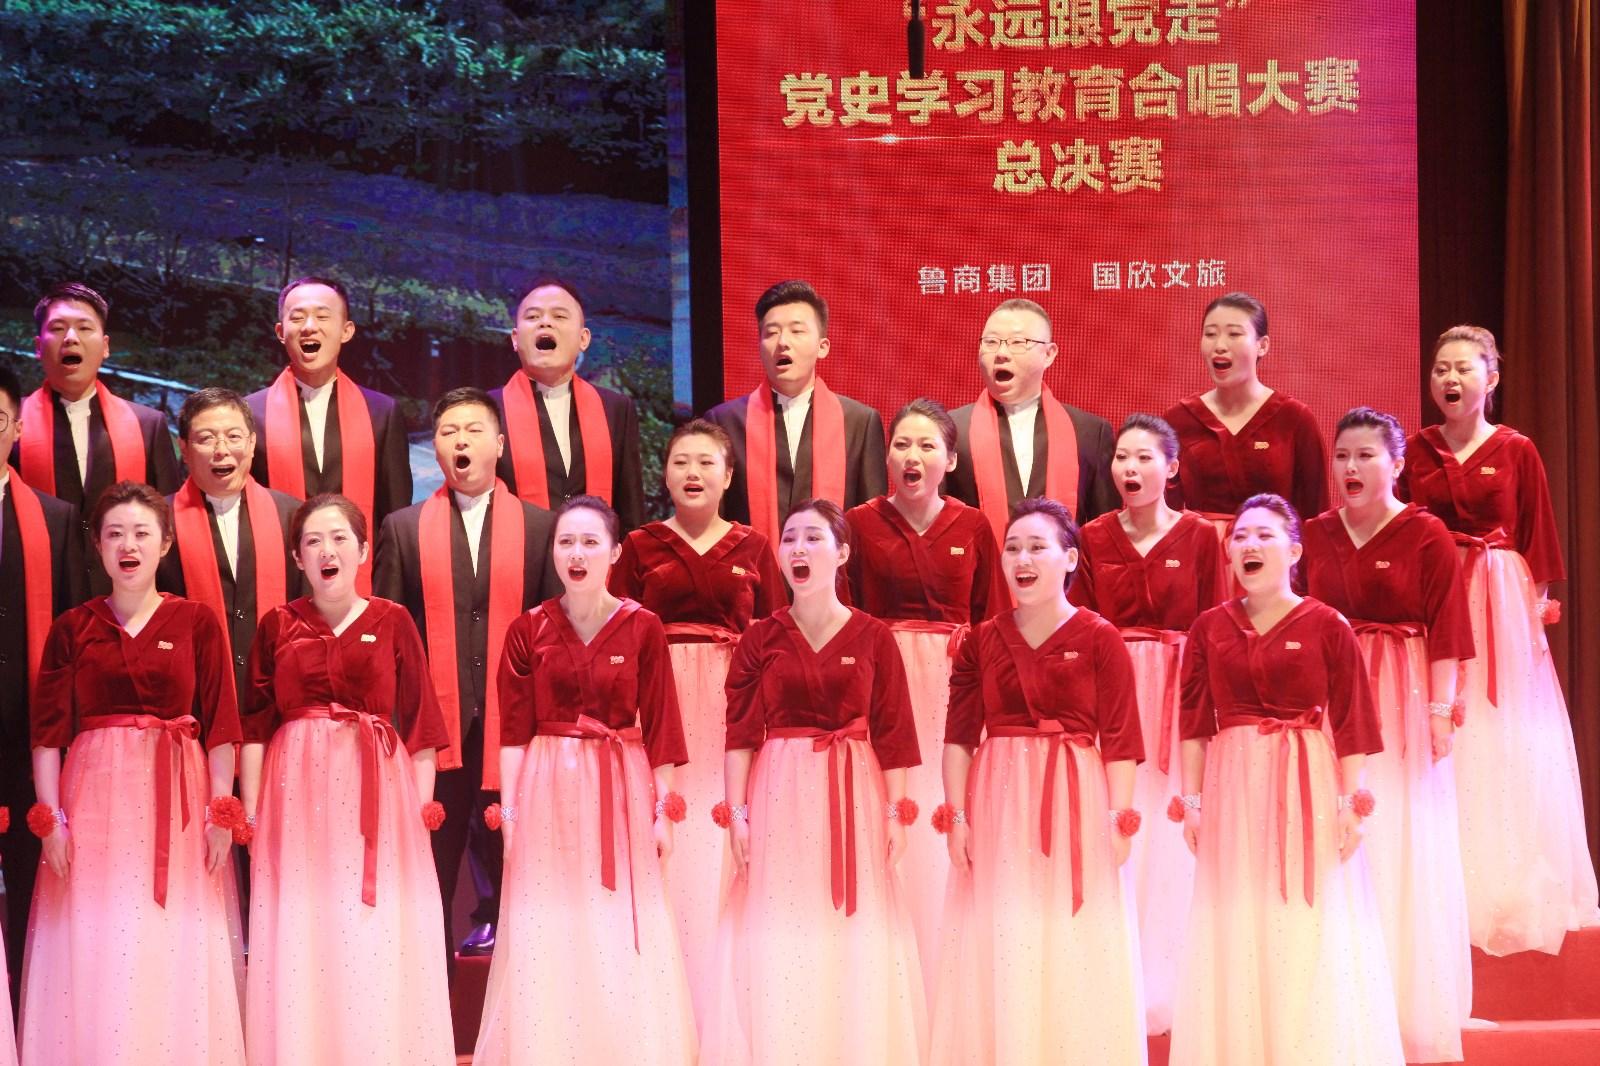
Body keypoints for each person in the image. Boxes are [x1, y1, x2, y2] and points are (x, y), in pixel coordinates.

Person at [1169, 494, 1403, 1066]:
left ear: (1295, 552)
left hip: (1307, 783)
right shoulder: (1209, 628)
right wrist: (1192, 801)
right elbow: (1194, 723)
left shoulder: (1327, 624)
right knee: (1238, 912)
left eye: (1264, 535)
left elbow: (1353, 720)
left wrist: (1351, 803)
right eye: (1240, 536)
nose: (1248, 545)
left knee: (1306, 909)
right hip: (1232, 784)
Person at [21, 481, 245, 1065]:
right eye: (115, 534)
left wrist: (221, 811)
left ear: (165, 543)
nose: (129, 545)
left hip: (179, 796)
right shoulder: (73, 627)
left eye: (142, 533)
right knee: (100, 930)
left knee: (172, 925)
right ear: (97, 545)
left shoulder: (196, 621)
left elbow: (222, 723)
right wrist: (52, 820)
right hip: (94, 798)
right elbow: (47, 733)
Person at [701, 499, 926, 1066]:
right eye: (789, 538)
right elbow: (739, 734)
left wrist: (897, 813)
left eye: (813, 537)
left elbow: (894, 731)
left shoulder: (874, 637)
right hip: (779, 789)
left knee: (855, 917)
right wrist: (738, 816)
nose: (798, 548)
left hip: (855, 790)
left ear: (842, 553)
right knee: (784, 916)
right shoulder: (760, 638)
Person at [473, 496, 696, 1065]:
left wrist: (664, 813)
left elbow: (663, 727)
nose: (577, 554)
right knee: (551, 915)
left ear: (615, 553)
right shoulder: (528, 629)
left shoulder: (642, 626)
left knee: (616, 913)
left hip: (621, 784)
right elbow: (512, 734)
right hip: (546, 785)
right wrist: (510, 818)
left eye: (591, 542)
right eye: (566, 542)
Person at [1399, 325, 1600, 955]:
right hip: (1436, 596)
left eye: (1464, 368)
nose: (1450, 379)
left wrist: (1531, 622)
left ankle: (1506, 883)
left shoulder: (1517, 449)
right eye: (1441, 368)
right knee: (1440, 727)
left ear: (1492, 378)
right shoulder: (1415, 450)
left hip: (1500, 602)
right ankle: (1440, 883)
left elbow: (1538, 540)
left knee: (1500, 727)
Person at [240, 494, 454, 1066]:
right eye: (313, 542)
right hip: (295, 794)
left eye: (339, 539)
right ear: (297, 557)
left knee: (371, 924)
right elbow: (254, 727)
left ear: (362, 551)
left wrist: (420, 815)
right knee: (304, 923)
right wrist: (253, 814)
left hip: (378, 792)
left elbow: (422, 726)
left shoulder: (393, 620)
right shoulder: (277, 624)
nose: (326, 551)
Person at [931, 497, 1146, 1064]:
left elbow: (1121, 738)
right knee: (1005, 927)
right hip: (999, 798)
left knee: (1073, 928)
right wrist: (957, 817)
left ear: (1069, 559)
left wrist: (1118, 822)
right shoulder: (981, 640)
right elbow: (958, 739)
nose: (1021, 559)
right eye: (1012, 549)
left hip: (1076, 796)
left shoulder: (1100, 637)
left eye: (1036, 547)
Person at [1303, 407, 1475, 1062]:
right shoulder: (1314, 533)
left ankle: (1405, 1002)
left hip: (1400, 694)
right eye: (1342, 455)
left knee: (1398, 833)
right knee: (1338, 834)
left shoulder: (1426, 534)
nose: (1350, 467)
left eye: (1365, 455)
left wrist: (1440, 710)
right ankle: (1340, 999)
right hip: (1331, 697)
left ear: (1397, 464)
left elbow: (1449, 629)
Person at [607, 418, 785, 1021]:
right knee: (668, 833)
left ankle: (728, 995)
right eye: (681, 461)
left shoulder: (755, 547)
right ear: (664, 474)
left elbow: (777, 636)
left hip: (735, 706)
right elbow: (617, 631)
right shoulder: (639, 546)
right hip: (660, 704)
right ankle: (665, 995)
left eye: (707, 462)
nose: (693, 473)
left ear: (729, 476)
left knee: (726, 831)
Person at [374, 387, 559, 965]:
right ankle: (428, 986)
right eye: (449, 431)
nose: (461, 440)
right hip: (436, 728)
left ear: (499, 445)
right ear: (436, 447)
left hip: (515, 726)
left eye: (474, 430)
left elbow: (553, 634)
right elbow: (388, 634)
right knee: (433, 865)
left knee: (518, 865)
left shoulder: (541, 527)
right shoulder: (403, 528)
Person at [1068, 414, 1221, 1036]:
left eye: (1144, 458)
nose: (1129, 469)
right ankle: (1115, 980)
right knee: (1118, 825)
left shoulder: (1201, 537)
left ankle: (1173, 984)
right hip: (1114, 689)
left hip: (1178, 691)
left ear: (1172, 468)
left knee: (1170, 832)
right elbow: (1079, 627)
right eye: (1121, 458)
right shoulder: (1092, 536)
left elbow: (1214, 628)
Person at [843, 397, 1006, 977]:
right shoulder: (859, 523)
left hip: (951, 684)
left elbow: (992, 618)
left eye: (927, 445)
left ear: (951, 460)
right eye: (902, 444)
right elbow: (844, 614)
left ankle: (947, 961)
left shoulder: (974, 526)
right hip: (881, 680)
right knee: (886, 803)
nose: (912, 456)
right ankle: (887, 959)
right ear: (887, 456)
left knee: (944, 798)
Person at [0, 365, 84, 1008]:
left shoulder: (56, 520)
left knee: (35, 889)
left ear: (16, 429)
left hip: (30, 735)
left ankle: (31, 1020)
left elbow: (76, 637)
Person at [10, 282, 183, 594]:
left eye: (84, 328)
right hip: (39, 590)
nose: (71, 338)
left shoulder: (147, 425)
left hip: (123, 597)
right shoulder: (10, 425)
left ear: (105, 346)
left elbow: (168, 524)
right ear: (38, 346)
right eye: (58, 328)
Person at [245, 277, 413, 593]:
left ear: (346, 330)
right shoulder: (250, 414)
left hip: (361, 590)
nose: (309, 327)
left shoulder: (381, 412)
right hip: (278, 584)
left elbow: (394, 519)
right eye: (297, 317)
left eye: (322, 316)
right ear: (280, 332)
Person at [702, 280, 887, 546]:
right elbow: (713, 523)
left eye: (796, 331)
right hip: (749, 570)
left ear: (822, 346)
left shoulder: (860, 422)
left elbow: (871, 527)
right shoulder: (723, 422)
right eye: (771, 333)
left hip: (835, 572)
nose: (782, 342)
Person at [158, 388, 300, 701]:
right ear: (184, 448)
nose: (221, 450)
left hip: (275, 699)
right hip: (187, 701)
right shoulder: (156, 522)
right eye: (206, 438)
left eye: (234, 437)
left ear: (251, 444)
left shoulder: (292, 516)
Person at [946, 298, 1118, 537]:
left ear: (1049, 354)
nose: (1001, 353)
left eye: (1018, 342)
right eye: (991, 342)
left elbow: (1106, 534)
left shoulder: (1090, 432)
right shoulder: (952, 429)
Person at [1162, 293, 1328, 534]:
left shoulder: (1295, 419)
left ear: (1263, 345)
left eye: (1234, 334)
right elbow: (1164, 515)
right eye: (1210, 334)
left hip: (1272, 553)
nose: (1219, 345)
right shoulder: (1178, 420)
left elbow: (1315, 515)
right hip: (1200, 553)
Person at [490, 277, 645, 532]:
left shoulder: (616, 409)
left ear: (583, 339)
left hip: (596, 553)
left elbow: (631, 507)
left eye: (559, 316)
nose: (545, 322)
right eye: (533, 317)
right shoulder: (487, 410)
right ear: (515, 339)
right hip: (518, 553)